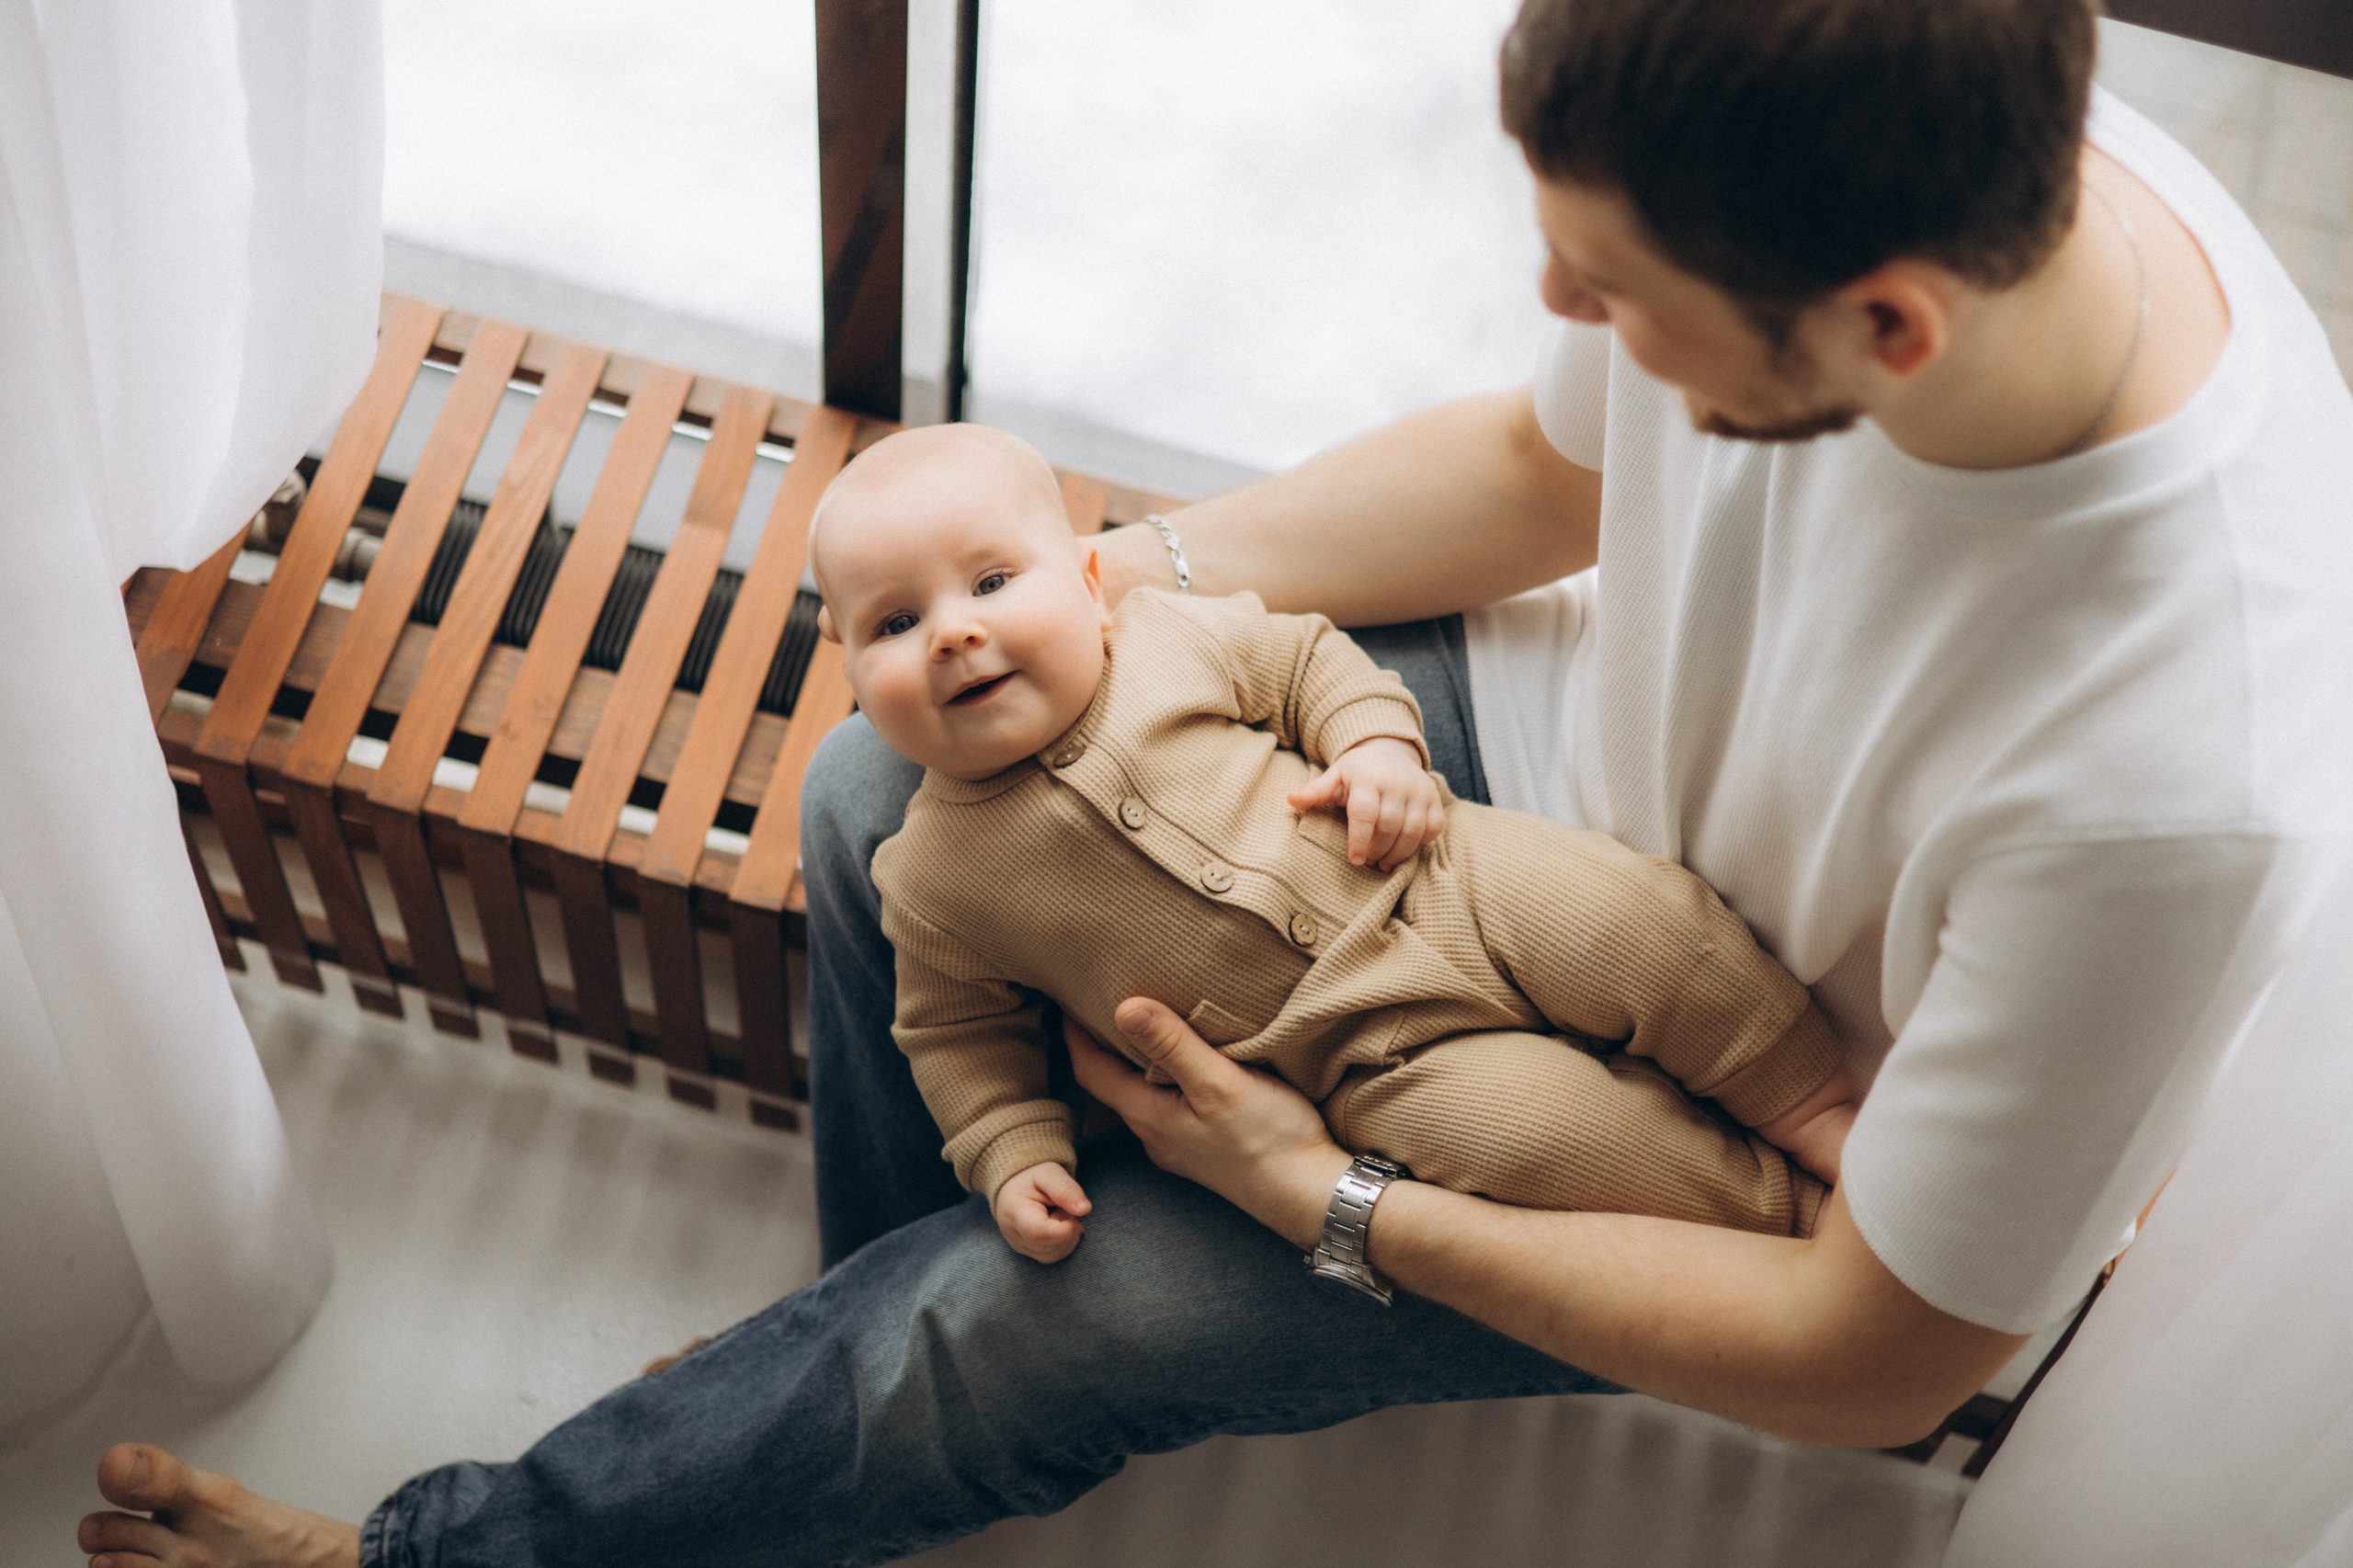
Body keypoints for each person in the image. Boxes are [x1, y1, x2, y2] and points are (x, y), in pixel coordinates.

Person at [77, 1, 2353, 1564]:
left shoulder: (2169, 771)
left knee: (981, 1346)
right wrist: (1100, 593)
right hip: (1486, 800)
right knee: (885, 801)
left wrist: (1317, 1197)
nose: (1561, 310)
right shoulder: (1945, 144)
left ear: (1880, 336)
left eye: (1617, 290)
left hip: (1697, 1116)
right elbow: (1529, 469)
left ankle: (469, 1534)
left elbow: (1874, 1349)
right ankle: (837, 1372)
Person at [814, 422, 1856, 1263]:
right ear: (850, 670)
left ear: (1091, 584)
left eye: (992, 583)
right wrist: (1010, 1147)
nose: (952, 632)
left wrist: (1377, 749)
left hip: (1441, 875)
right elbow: (954, 1035)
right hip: (1363, 1064)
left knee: (1637, 922)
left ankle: (1807, 1099)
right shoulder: (930, 880)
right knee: (1535, 1141)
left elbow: (1309, 662)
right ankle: (1781, 1218)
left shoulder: (1173, 637)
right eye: (895, 623)